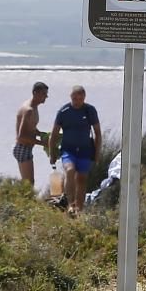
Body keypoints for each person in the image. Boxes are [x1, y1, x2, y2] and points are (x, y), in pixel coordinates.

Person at [49, 85, 101, 215]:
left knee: (82, 178)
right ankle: (70, 204)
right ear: (70, 97)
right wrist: (52, 153)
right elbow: (54, 134)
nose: (77, 101)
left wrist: (97, 153)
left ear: (84, 97)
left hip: (85, 150)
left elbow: (98, 133)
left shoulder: (90, 110)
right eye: (74, 98)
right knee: (70, 170)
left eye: (80, 98)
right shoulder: (64, 111)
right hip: (68, 150)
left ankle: (79, 208)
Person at [14, 81, 49, 184]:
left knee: (28, 182)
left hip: (27, 148)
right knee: (28, 183)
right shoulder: (28, 109)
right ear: (35, 93)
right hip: (22, 148)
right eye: (43, 94)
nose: (46, 96)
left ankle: (23, 198)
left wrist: (42, 134)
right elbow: (21, 136)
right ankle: (22, 199)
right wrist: (42, 143)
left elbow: (31, 128)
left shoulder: (34, 107)